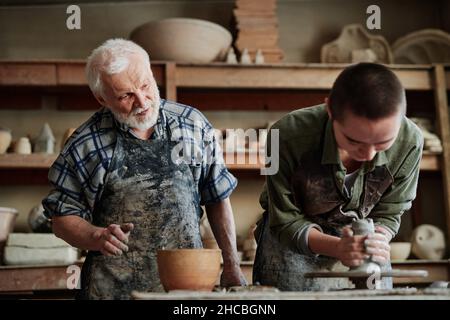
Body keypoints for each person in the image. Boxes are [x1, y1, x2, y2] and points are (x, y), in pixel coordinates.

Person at [42, 38, 247, 299]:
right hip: (112, 289)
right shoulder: (85, 144)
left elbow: (217, 197)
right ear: (101, 98)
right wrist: (95, 235)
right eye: (126, 95)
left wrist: (231, 264)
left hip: (184, 287)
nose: (142, 101)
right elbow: (61, 218)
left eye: (145, 84)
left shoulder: (192, 125)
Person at [253, 63, 424, 291]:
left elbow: (390, 210)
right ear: (330, 110)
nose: (368, 154)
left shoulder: (410, 141)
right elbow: (285, 218)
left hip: (364, 241)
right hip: (292, 243)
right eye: (354, 140)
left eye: (383, 143)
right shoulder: (283, 136)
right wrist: (339, 247)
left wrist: (375, 241)